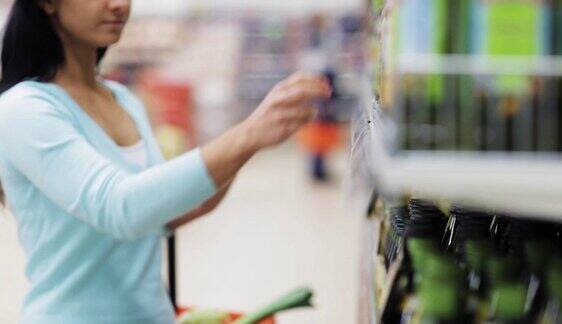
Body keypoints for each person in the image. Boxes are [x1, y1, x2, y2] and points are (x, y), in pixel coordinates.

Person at [0, 0, 331, 323]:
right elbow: (120, 207)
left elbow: (162, 211)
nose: (119, 5)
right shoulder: (24, 109)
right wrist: (246, 134)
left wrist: (256, 141)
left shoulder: (124, 100)